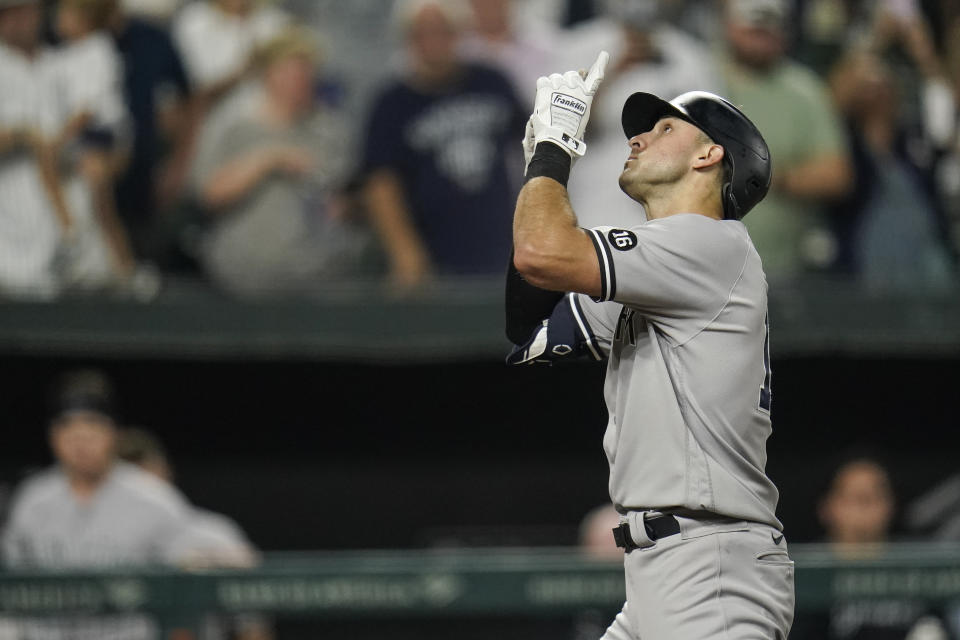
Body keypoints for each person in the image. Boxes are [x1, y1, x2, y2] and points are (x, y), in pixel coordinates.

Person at [507, 49, 794, 638]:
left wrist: (557, 152)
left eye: (664, 128)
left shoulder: (707, 244)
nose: (637, 137)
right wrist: (539, 164)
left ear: (710, 155)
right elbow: (530, 321)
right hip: (664, 573)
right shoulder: (668, 263)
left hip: (710, 572)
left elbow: (541, 251)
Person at [0, 369, 195, 640]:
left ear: (114, 433)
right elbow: (10, 588)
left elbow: (193, 588)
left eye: (92, 427)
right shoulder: (32, 500)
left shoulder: (156, 500)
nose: (81, 443)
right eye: (69, 430)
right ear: (53, 437)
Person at [360, 0, 527, 289]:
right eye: (423, 32)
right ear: (408, 38)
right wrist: (404, 250)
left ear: (458, 33)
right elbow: (379, 182)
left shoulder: (492, 82)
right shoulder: (392, 103)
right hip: (432, 253)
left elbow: (532, 144)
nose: (433, 40)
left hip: (498, 244)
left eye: (442, 30)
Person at [193, 26, 372, 296]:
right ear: (268, 74)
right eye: (290, 70)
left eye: (305, 70)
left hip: (323, 276)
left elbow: (360, 195)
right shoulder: (235, 126)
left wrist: (347, 207)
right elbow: (210, 195)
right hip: (243, 279)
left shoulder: (330, 129)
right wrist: (268, 158)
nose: (299, 79)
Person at [719, 0, 854, 279]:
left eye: (769, 29)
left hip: (784, 267)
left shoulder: (805, 90)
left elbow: (836, 175)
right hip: (708, 260)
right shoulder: (703, 75)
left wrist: (762, 175)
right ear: (729, 25)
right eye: (753, 27)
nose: (761, 38)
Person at [790, 454, 950, 639]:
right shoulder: (807, 570)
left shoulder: (918, 564)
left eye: (873, 497)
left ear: (891, 505)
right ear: (827, 507)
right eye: (853, 497)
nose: (863, 508)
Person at [0, 0, 70, 299]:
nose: (21, 19)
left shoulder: (61, 64)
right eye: (11, 12)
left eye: (27, 10)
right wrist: (20, 134)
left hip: (58, 212)